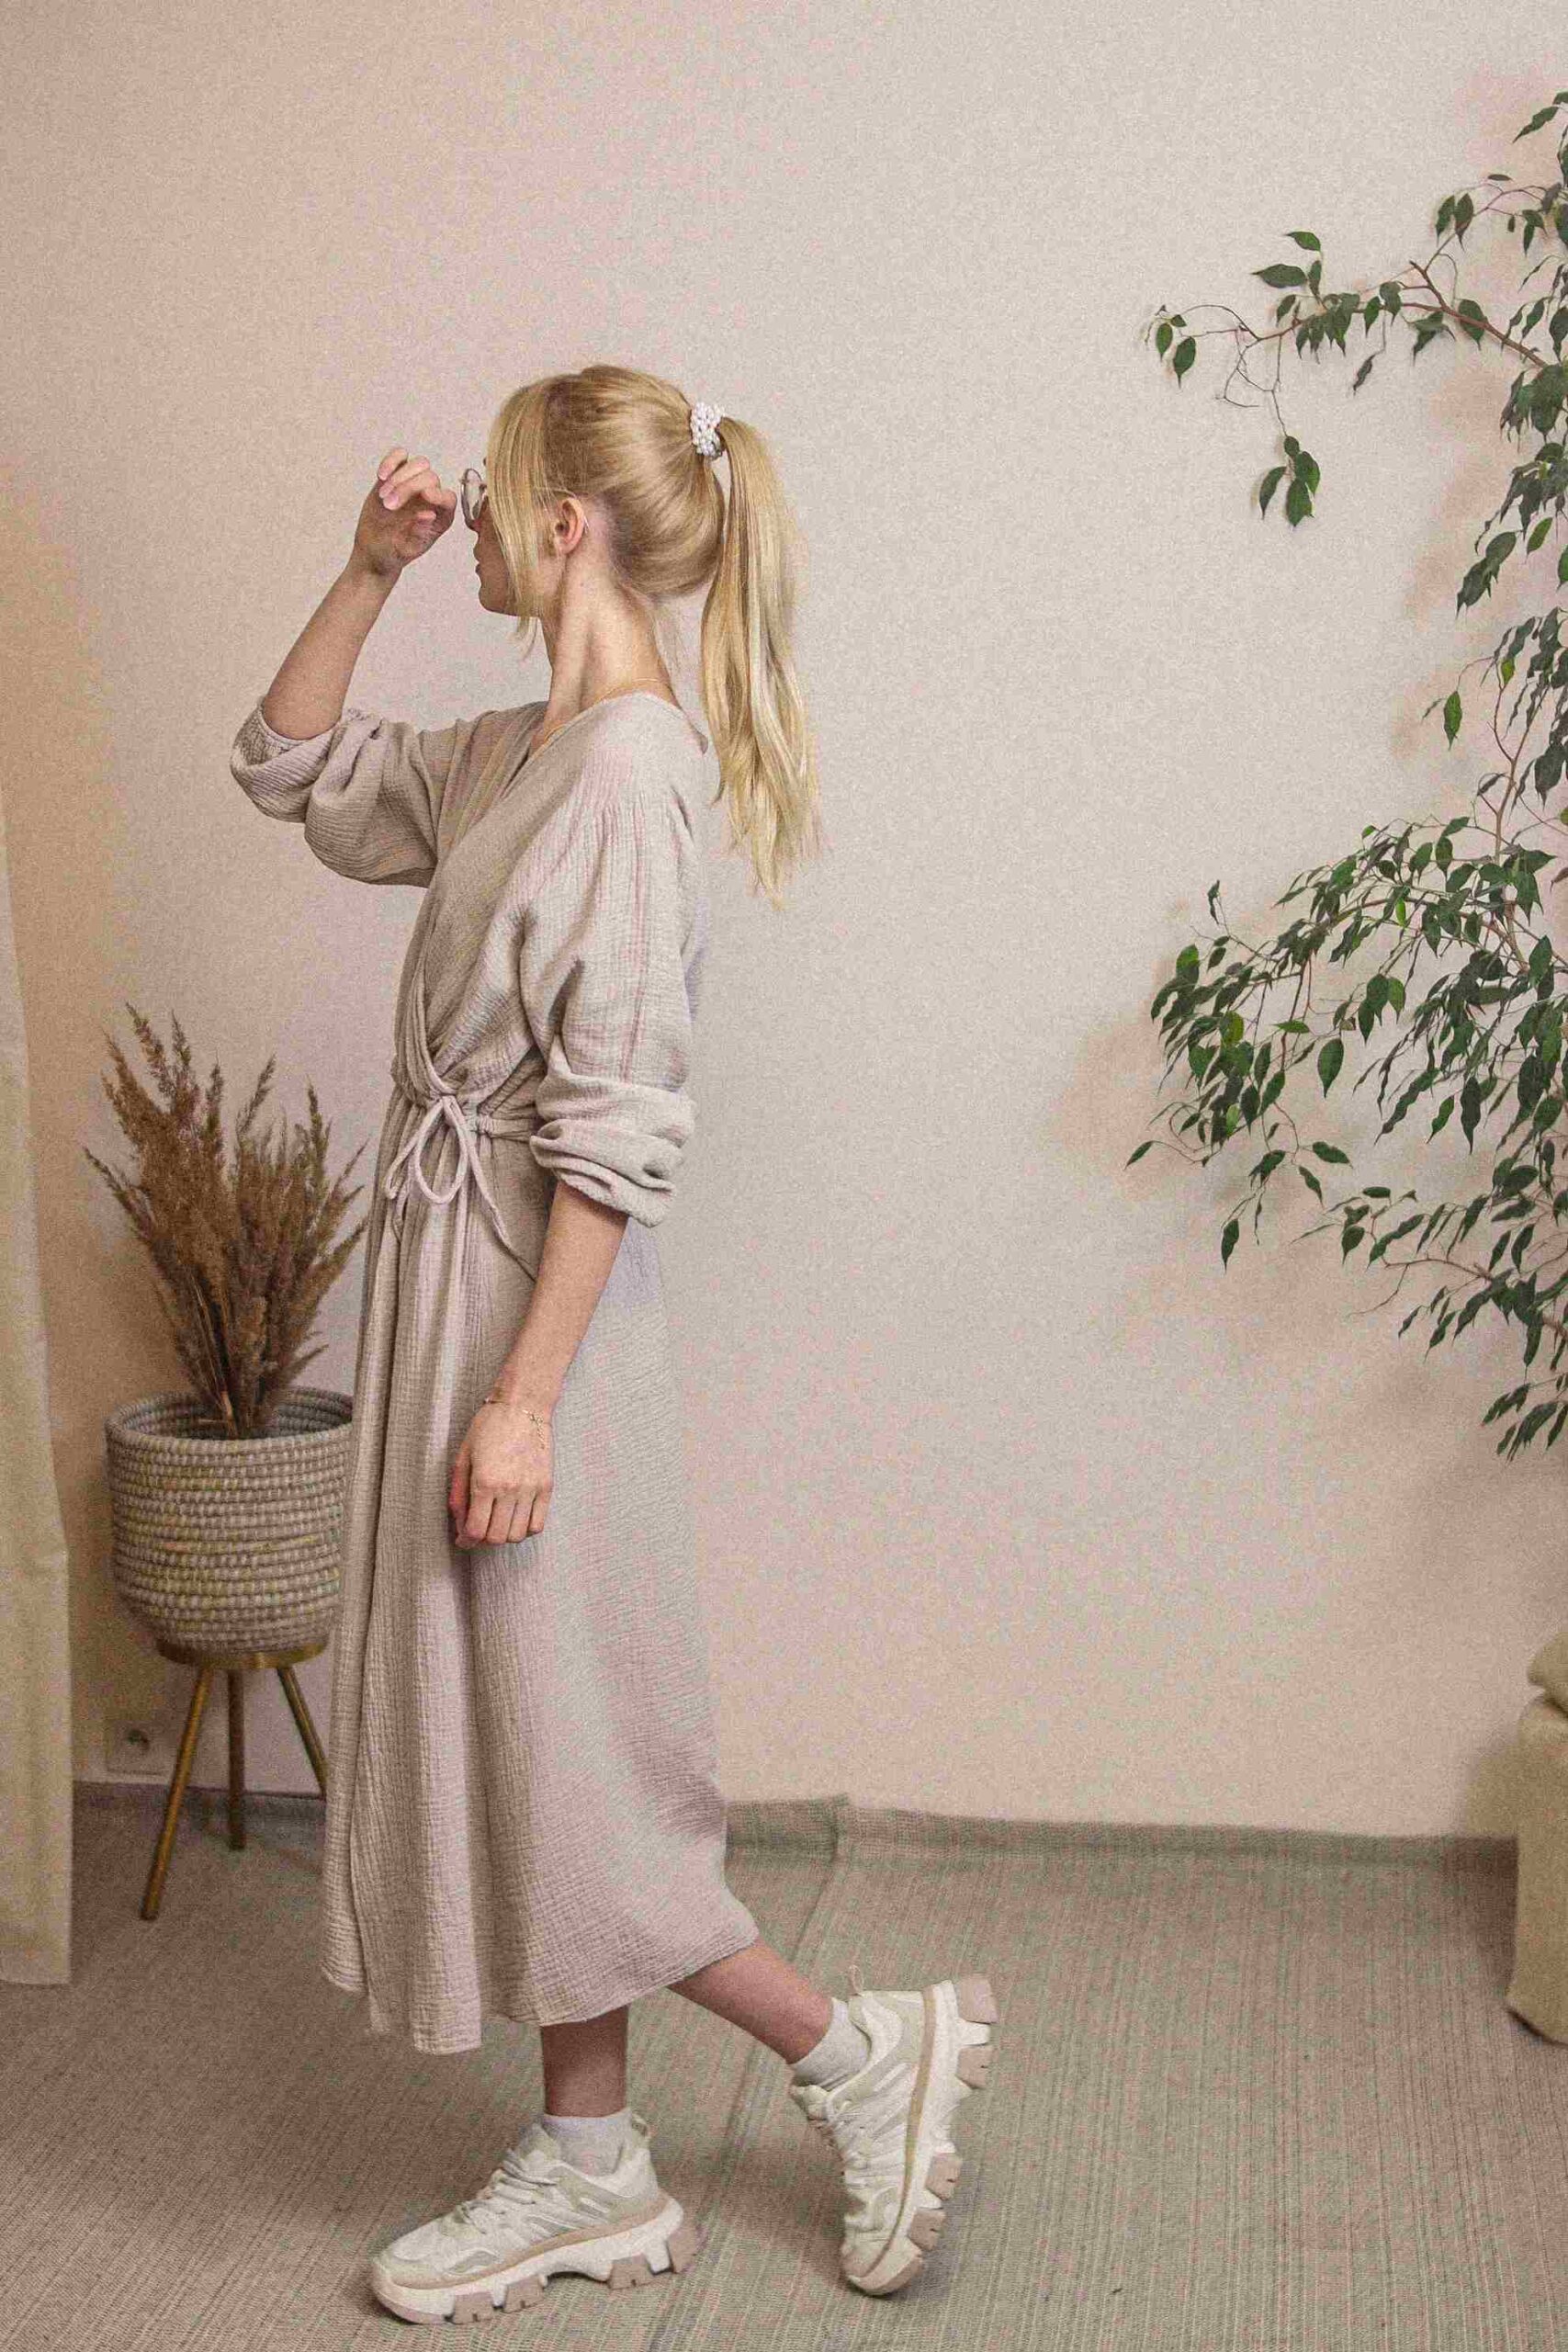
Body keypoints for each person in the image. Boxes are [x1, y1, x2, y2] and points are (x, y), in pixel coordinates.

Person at [228, 364, 998, 2324]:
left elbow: (619, 1120)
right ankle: (590, 2161)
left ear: (565, 523)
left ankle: (854, 2051)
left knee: (575, 1757)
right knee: (526, 1733)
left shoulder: (633, 775)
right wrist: (366, 569)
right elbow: (287, 766)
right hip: (456, 1287)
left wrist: (523, 1399)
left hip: (525, 1314)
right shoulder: (521, 747)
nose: (472, 525)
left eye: (491, 503)